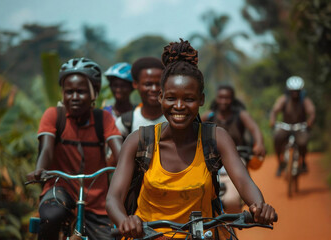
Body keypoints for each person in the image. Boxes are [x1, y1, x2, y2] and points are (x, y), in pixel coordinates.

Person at [106, 39, 277, 239]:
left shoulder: (215, 138)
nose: (179, 106)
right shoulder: (139, 141)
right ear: (161, 97)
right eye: (171, 98)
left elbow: (243, 181)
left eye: (188, 99)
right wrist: (125, 220)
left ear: (201, 100)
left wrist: (258, 206)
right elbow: (113, 197)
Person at [27, 58, 122, 240]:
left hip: (97, 198)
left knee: (110, 237)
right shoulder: (54, 115)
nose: (75, 97)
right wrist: (40, 169)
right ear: (62, 93)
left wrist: (127, 166)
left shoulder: (103, 118)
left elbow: (119, 150)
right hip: (60, 187)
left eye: (81, 92)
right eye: (69, 92)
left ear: (94, 93)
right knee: (50, 217)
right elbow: (46, 149)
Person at [201, 85, 266, 214]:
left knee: (233, 200)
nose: (223, 101)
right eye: (221, 97)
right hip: (212, 158)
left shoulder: (241, 115)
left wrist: (259, 143)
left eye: (227, 98)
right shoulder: (209, 115)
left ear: (232, 99)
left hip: (236, 156)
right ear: (216, 99)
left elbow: (254, 128)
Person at [269, 76, 315, 176]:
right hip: (286, 126)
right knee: (277, 138)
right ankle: (280, 163)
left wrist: (309, 122)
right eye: (292, 91)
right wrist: (272, 121)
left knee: (303, 142)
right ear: (288, 90)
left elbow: (311, 112)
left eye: (297, 91)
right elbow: (274, 111)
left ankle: (303, 161)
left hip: (300, 127)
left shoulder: (304, 100)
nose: (295, 93)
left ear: (301, 91)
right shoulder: (284, 99)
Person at [115, 57, 166, 138]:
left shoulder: (174, 120)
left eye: (159, 84)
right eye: (148, 84)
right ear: (135, 84)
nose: (154, 89)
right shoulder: (125, 122)